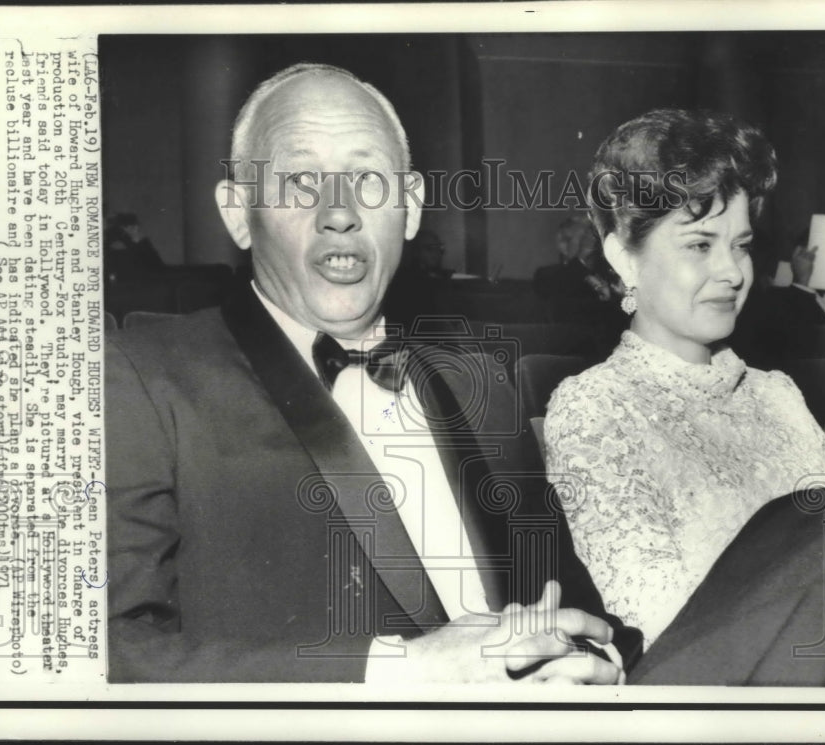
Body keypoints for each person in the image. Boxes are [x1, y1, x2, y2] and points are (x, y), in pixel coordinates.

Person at [106, 62, 634, 684]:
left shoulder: (482, 385)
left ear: (410, 210)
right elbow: (100, 653)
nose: (339, 212)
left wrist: (597, 663)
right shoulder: (145, 376)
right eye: (301, 179)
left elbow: (578, 607)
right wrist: (402, 671)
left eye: (367, 178)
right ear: (238, 212)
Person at [545, 109, 825, 685]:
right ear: (622, 256)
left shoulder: (777, 396)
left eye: (741, 245)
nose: (732, 271)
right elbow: (658, 623)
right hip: (702, 689)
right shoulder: (595, 408)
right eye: (700, 244)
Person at [533, 215, 618, 303]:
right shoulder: (546, 276)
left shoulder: (608, 271)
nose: (592, 241)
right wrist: (581, 257)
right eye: (583, 237)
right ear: (564, 245)